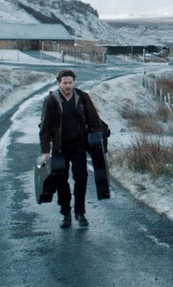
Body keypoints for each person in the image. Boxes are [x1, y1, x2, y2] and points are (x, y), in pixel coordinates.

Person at [39, 69, 104, 228]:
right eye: (64, 83)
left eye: (70, 82)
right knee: (61, 180)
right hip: (60, 148)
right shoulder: (51, 101)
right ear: (59, 83)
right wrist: (45, 151)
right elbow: (45, 128)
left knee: (81, 178)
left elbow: (94, 120)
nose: (68, 86)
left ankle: (80, 213)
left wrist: (99, 142)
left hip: (79, 146)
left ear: (73, 82)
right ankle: (66, 213)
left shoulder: (82, 97)